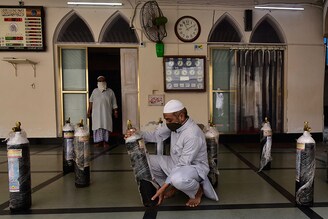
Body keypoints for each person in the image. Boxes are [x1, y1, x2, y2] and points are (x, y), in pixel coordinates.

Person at [126, 99, 218, 207]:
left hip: (193, 168)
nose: (167, 123)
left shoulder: (193, 134)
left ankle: (197, 192)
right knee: (146, 162)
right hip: (175, 163)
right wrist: (136, 133)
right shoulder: (175, 124)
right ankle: (174, 187)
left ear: (181, 116)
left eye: (169, 120)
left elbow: (183, 164)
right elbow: (156, 135)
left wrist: (164, 188)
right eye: (166, 120)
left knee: (177, 179)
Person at [87, 75, 118, 148]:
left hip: (106, 113)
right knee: (97, 127)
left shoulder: (110, 91)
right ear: (97, 82)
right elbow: (91, 102)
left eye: (103, 80)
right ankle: (98, 142)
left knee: (106, 126)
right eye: (100, 81)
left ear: (105, 82)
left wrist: (115, 112)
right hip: (96, 114)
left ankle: (105, 141)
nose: (101, 82)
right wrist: (89, 112)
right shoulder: (95, 91)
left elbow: (114, 103)